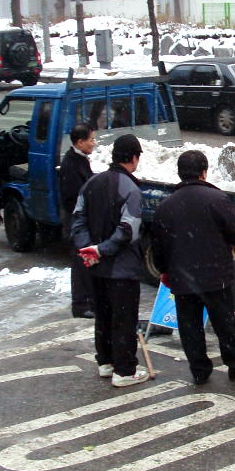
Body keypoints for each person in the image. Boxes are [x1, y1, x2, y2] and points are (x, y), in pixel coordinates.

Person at [150, 149, 235, 385]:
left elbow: (158, 246)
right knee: (225, 324)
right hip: (215, 276)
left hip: (182, 278)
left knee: (190, 327)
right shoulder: (218, 199)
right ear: (204, 172)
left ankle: (199, 369)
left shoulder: (166, 206)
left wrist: (165, 270)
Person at [71, 134, 148, 388]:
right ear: (134, 158)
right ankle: (125, 370)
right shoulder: (131, 190)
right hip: (121, 269)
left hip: (95, 268)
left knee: (103, 316)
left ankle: (105, 362)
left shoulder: (91, 184)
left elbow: (78, 219)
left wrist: (88, 249)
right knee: (123, 320)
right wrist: (102, 249)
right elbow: (129, 231)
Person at [60, 123, 96, 319]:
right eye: (91, 140)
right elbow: (72, 198)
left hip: (81, 222)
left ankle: (88, 301)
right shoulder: (71, 164)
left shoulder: (80, 159)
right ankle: (81, 305)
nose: (94, 143)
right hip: (77, 223)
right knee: (81, 264)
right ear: (80, 142)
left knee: (86, 262)